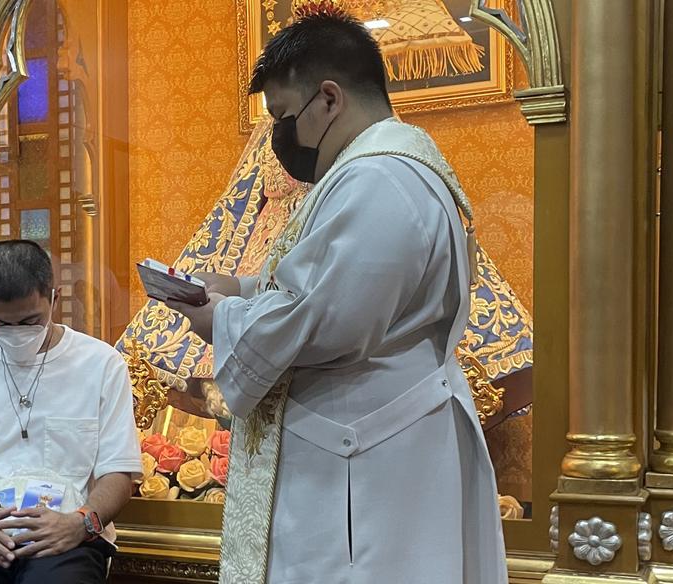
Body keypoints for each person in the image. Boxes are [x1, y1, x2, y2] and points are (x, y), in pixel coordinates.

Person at [166, 10, 507, 584]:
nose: (280, 137)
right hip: (362, 445)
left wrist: (217, 316)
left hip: (364, 461)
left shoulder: (381, 180)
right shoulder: (372, 172)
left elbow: (328, 321)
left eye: (282, 116)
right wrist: (243, 288)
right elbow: (328, 285)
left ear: (328, 98)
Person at [0, 240, 143, 584]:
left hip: (65, 531)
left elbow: (119, 474)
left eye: (30, 320)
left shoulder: (101, 364)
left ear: (54, 298)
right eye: (0, 324)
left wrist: (80, 524)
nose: (16, 334)